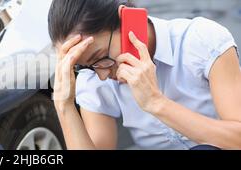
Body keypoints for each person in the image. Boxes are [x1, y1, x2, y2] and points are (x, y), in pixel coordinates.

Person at [48, 0, 241, 150]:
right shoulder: (92, 76)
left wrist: (156, 103)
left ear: (127, 21)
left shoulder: (200, 40)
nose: (102, 75)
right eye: (87, 66)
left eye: (100, 57)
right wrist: (64, 105)